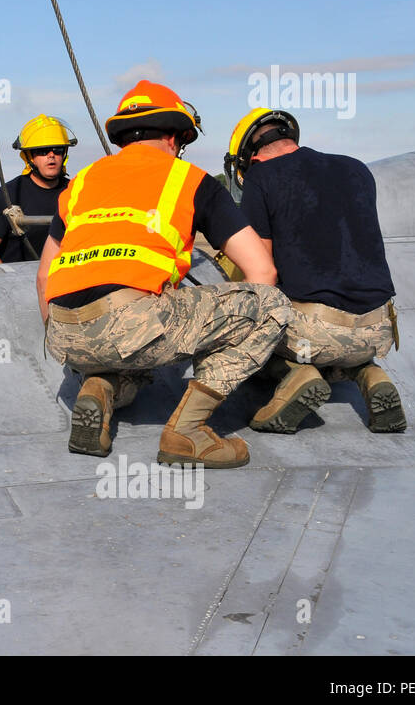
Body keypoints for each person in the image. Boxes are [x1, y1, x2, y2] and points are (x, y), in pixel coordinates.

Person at [39, 80, 291, 468]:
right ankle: (187, 432)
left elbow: (44, 275)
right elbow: (262, 269)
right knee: (270, 305)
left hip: (64, 333)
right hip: (128, 322)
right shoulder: (189, 179)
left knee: (144, 337)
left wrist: (69, 342)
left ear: (124, 137)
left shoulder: (83, 181)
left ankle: (101, 384)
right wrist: (231, 352)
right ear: (174, 138)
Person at [226, 108, 406, 433]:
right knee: (344, 338)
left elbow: (262, 271)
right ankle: (370, 374)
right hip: (377, 328)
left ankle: (297, 374)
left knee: (247, 321)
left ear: (250, 157)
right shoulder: (356, 168)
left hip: (316, 332)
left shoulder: (260, 179)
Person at [0, 115, 75, 264]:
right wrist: (10, 284)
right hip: (18, 283)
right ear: (29, 157)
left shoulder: (77, 191)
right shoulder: (7, 195)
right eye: (42, 150)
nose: (51, 155)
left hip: (62, 283)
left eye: (58, 149)